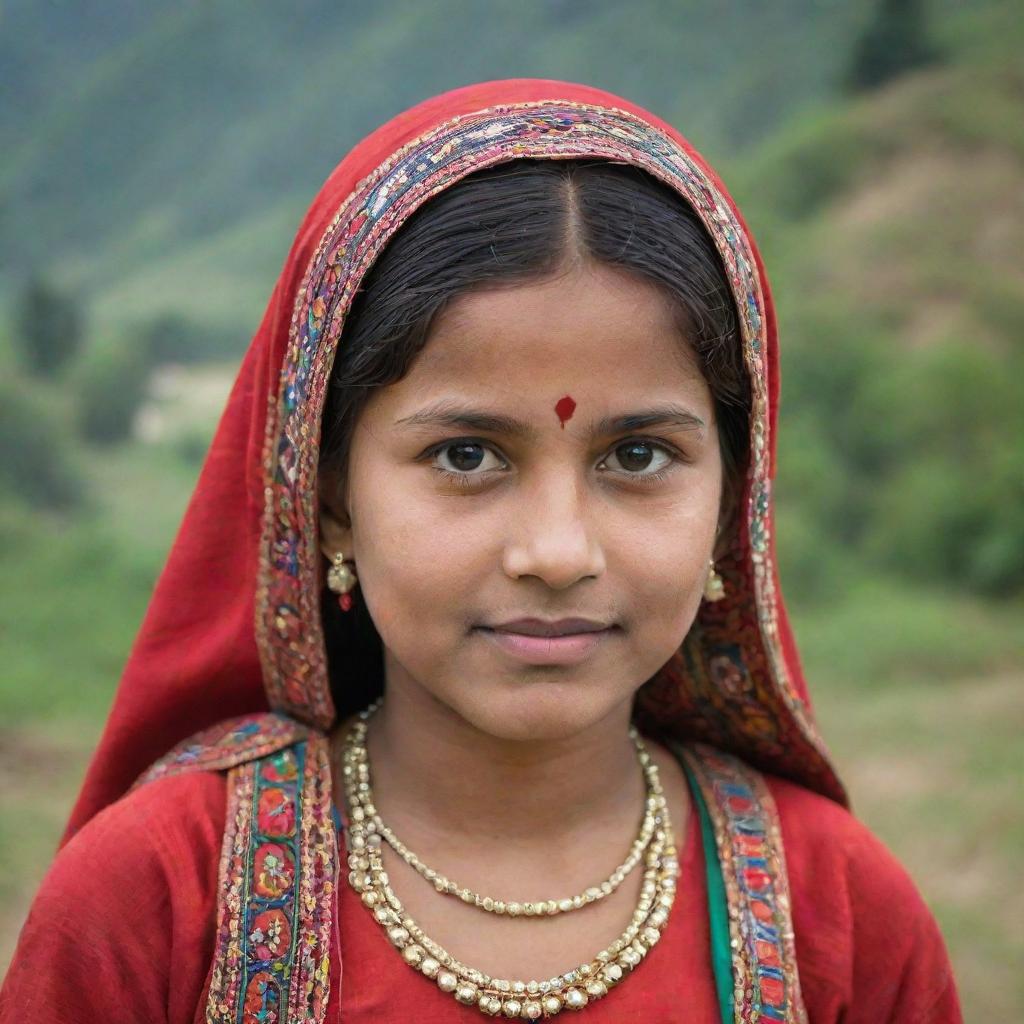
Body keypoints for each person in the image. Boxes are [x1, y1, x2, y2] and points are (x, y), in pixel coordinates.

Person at [0, 80, 961, 1023]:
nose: (555, 551)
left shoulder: (838, 915)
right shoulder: (161, 903)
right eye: (466, 455)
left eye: (638, 455)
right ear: (328, 496)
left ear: (729, 503)